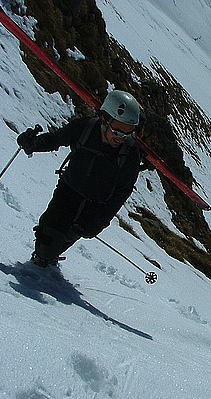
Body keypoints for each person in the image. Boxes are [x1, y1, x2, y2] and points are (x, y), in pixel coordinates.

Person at [17, 90, 145, 267]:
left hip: (94, 205)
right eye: (117, 131)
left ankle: (51, 255)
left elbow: (122, 191)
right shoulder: (85, 128)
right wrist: (33, 144)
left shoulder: (130, 154)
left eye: (128, 134)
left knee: (70, 235)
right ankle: (44, 255)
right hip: (68, 191)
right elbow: (56, 139)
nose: (121, 138)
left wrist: (100, 221)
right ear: (104, 120)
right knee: (47, 238)